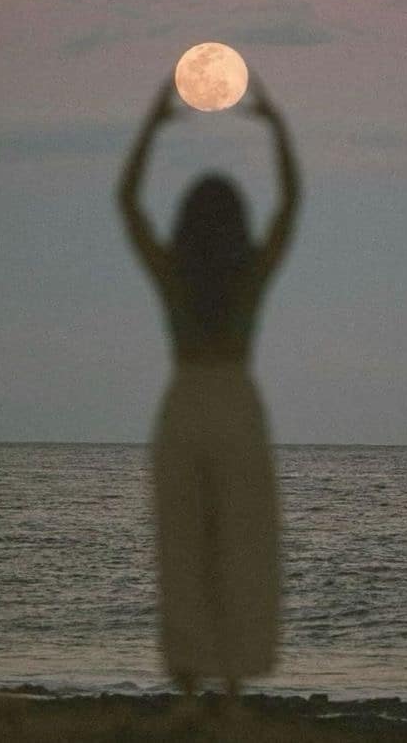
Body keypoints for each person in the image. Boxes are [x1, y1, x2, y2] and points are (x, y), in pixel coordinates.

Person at [116, 70, 301, 705]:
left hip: (187, 401)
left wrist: (151, 122)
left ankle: (191, 693)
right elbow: (291, 206)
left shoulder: (174, 273)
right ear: (236, 222)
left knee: (184, 544)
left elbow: (128, 203)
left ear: (187, 223)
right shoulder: (250, 274)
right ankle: (230, 695)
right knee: (242, 543)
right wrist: (278, 129)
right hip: (237, 404)